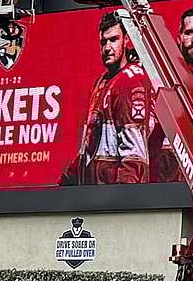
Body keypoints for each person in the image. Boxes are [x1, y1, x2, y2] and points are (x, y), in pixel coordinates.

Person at [59, 12, 153, 185]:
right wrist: (71, 178)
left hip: (114, 194)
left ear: (126, 40)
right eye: (103, 42)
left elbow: (134, 149)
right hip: (95, 191)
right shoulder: (100, 82)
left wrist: (123, 193)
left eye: (114, 39)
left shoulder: (131, 80)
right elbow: (89, 142)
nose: (107, 47)